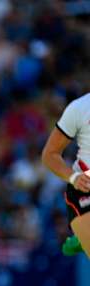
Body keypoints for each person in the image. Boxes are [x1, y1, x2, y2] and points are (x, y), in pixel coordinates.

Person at [41, 93, 89, 257]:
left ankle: (82, 239)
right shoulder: (80, 108)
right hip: (85, 188)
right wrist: (74, 178)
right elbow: (50, 154)